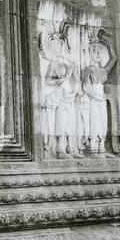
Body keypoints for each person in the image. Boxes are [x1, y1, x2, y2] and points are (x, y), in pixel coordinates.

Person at [44, 32, 82, 160]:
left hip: (70, 95)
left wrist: (74, 91)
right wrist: (66, 75)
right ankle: (60, 149)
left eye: (62, 45)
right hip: (60, 95)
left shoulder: (68, 62)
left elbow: (77, 80)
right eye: (57, 45)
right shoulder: (53, 64)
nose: (60, 48)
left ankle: (71, 148)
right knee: (62, 122)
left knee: (71, 123)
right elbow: (48, 81)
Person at [82, 30, 117, 159]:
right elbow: (85, 87)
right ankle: (92, 149)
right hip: (94, 98)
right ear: (90, 52)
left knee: (103, 123)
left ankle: (101, 148)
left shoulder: (103, 71)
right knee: (94, 123)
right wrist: (95, 97)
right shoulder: (89, 69)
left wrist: (109, 45)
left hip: (101, 99)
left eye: (99, 51)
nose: (97, 54)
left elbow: (114, 59)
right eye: (94, 51)